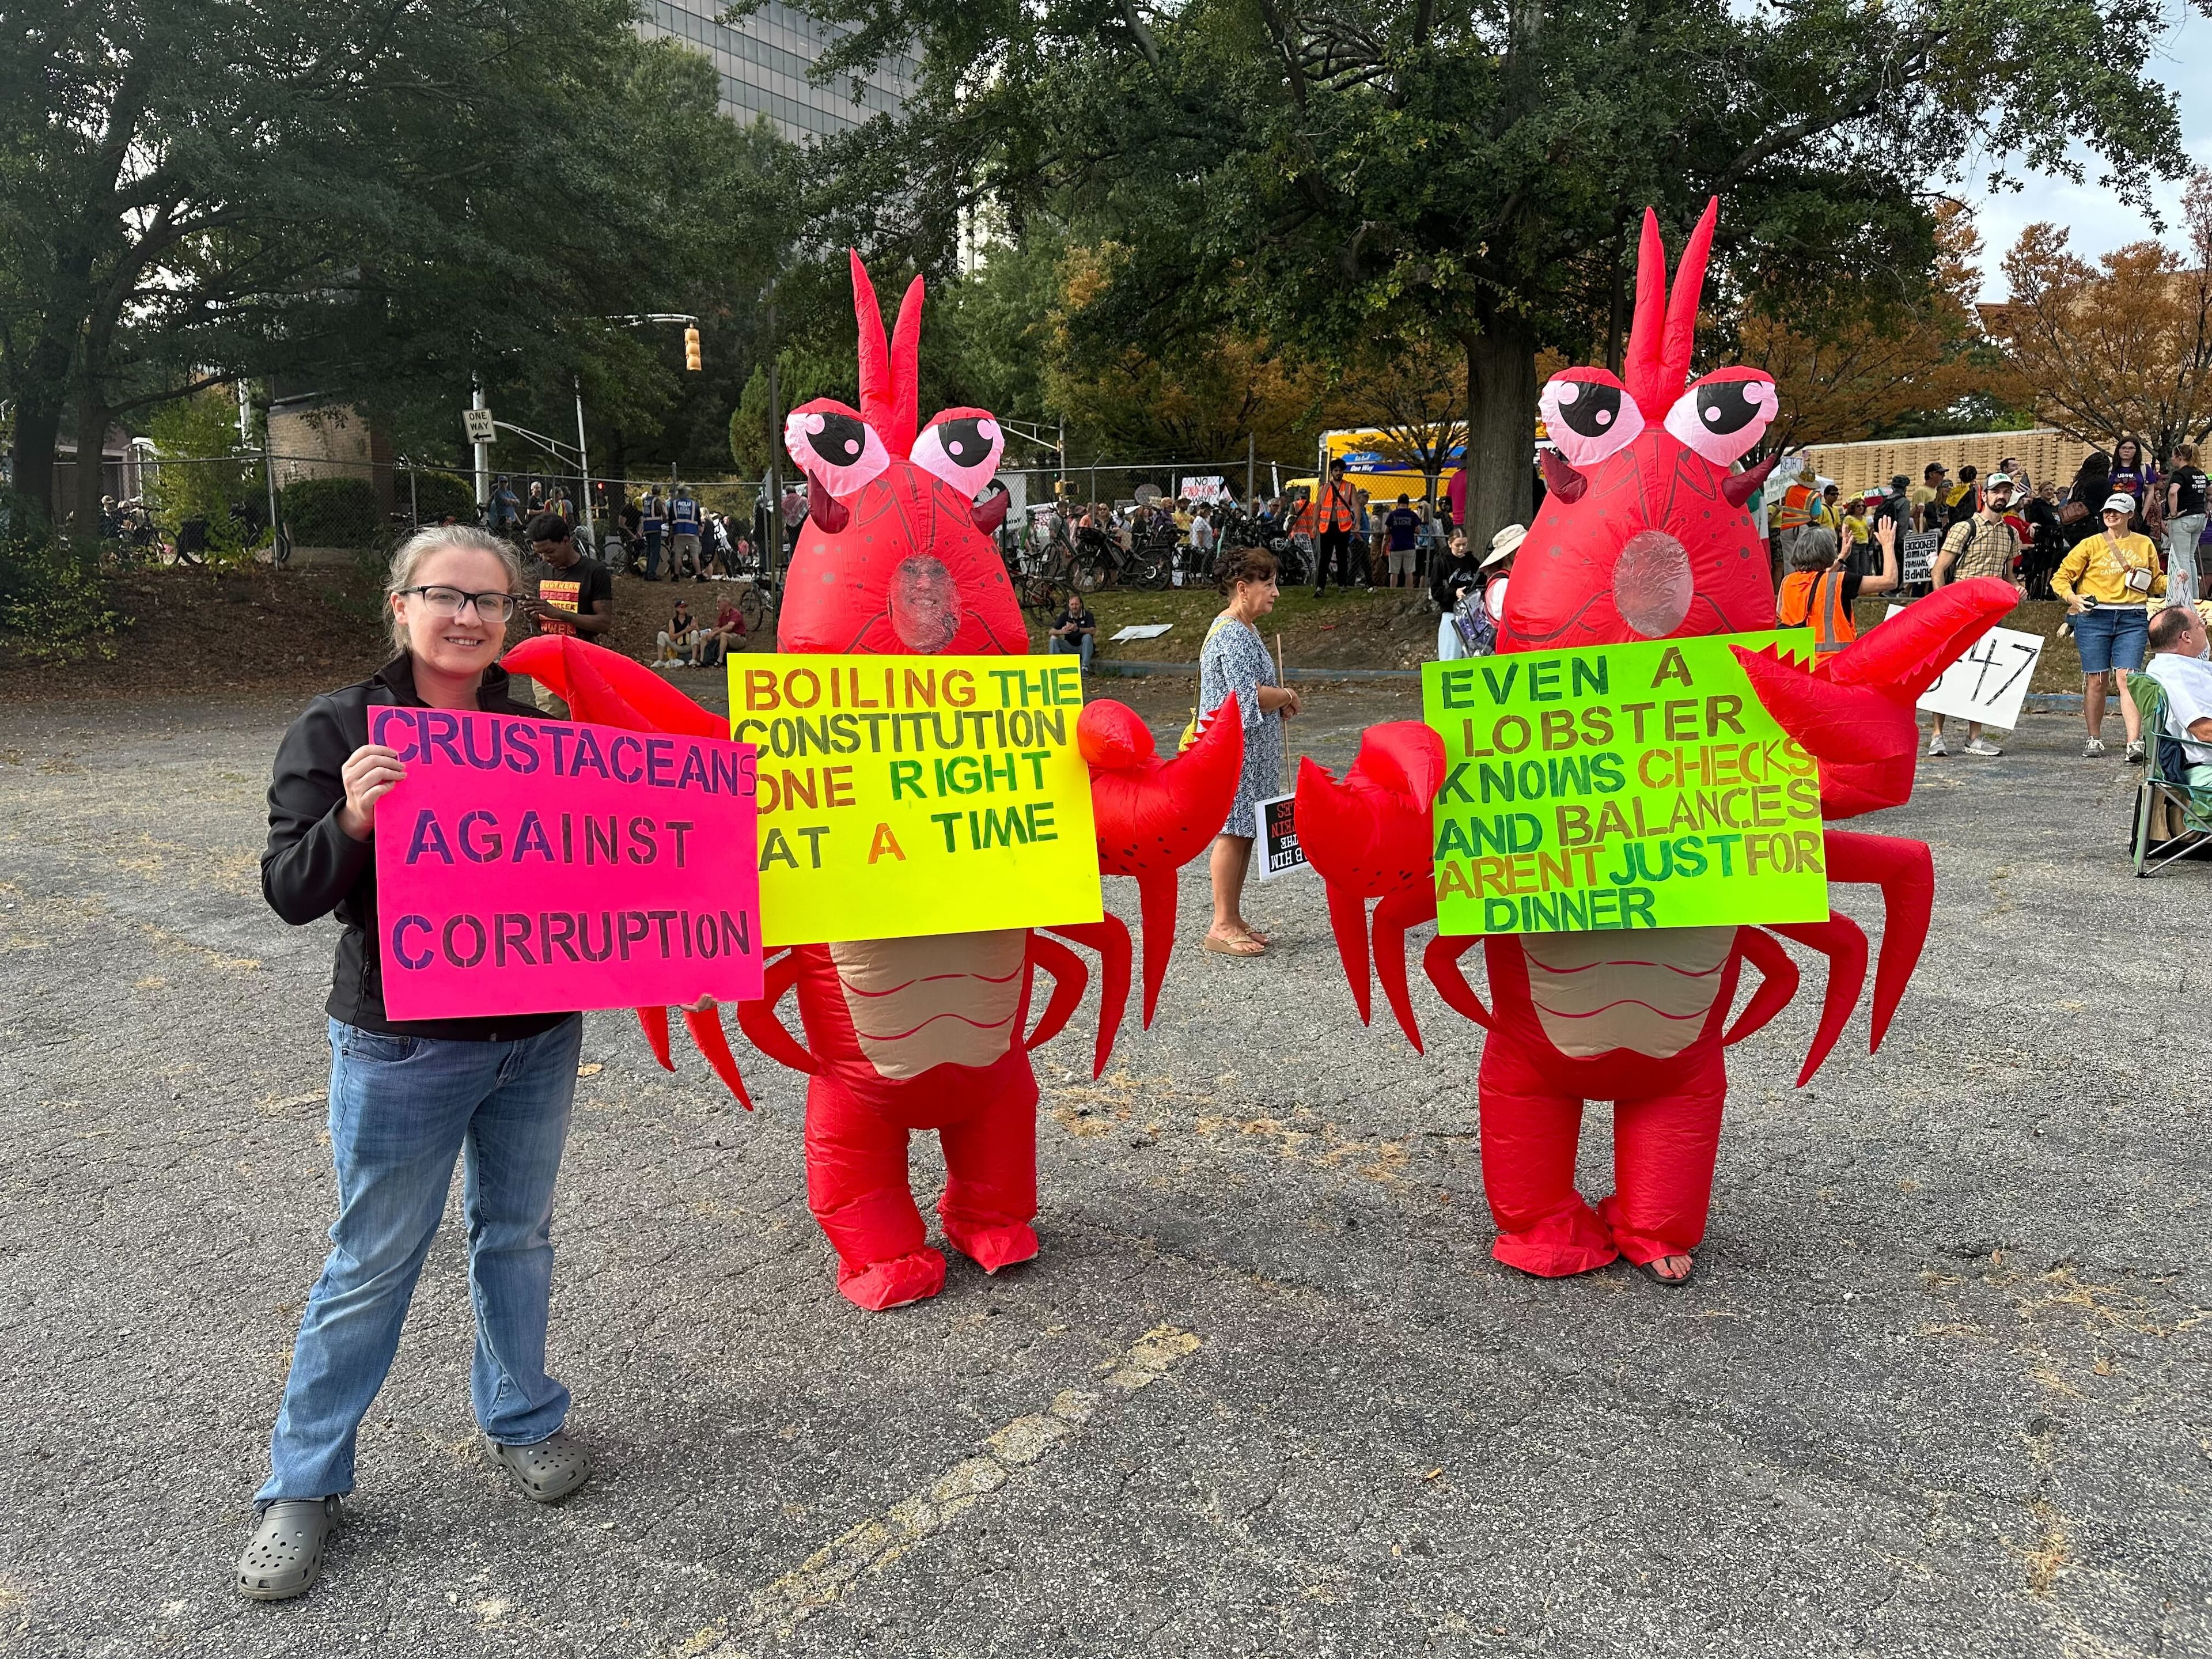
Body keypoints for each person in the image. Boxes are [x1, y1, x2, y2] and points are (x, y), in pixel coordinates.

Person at [241, 526, 592, 1603]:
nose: (469, 618)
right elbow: (290, 889)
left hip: (535, 1035)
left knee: (518, 1236)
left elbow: (595, 869)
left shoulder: (535, 728)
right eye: (446, 596)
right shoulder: (338, 725)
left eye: (492, 603)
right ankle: (302, 1485)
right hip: (404, 1045)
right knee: (373, 1261)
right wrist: (352, 815)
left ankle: (523, 1417)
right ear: (400, 605)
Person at [1200, 548, 1300, 955]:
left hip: (1248, 752)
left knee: (1243, 830)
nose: (1276, 592)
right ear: (1243, 589)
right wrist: (1287, 695)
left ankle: (1233, 916)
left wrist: (1281, 700)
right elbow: (1249, 695)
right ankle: (1221, 924)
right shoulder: (1231, 634)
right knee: (1232, 831)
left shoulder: (1246, 630)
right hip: (1233, 752)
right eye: (1269, 584)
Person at [2052, 493, 2167, 760]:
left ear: (2131, 515)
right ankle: (2094, 738)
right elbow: (2061, 577)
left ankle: (2134, 743)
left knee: (2128, 678)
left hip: (2133, 617)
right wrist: (2072, 597)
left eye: (2118, 511)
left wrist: (2176, 579)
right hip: (2095, 617)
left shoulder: (2144, 544)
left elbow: (2155, 581)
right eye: (2107, 511)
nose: (2111, 515)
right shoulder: (2090, 544)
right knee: (2096, 680)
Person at [1926, 472, 2024, 757]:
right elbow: (1939, 569)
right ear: (1984, 495)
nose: (2001, 497)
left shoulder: (2010, 533)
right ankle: (1937, 735)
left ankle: (1975, 738)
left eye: (2006, 492)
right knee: (1946, 669)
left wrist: (2018, 588)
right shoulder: (1964, 528)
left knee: (1984, 671)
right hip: (1959, 609)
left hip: (1991, 612)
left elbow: (2009, 577)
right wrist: (1942, 603)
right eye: (1996, 491)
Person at [519, 514, 613, 717]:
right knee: (552, 720)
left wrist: (560, 614)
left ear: (566, 540)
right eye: (540, 553)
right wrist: (531, 613)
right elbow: (541, 623)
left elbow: (604, 623)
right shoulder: (540, 571)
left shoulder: (594, 571)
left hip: (583, 659)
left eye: (550, 551)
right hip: (548, 659)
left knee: (585, 717)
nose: (545, 558)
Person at [1779, 516, 1900, 657]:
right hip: (1834, 665)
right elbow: (1890, 581)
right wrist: (1888, 545)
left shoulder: (1787, 582)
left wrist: (1842, 556)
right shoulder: (1840, 581)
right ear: (1827, 553)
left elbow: (1817, 581)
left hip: (1798, 662)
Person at [2145, 604, 2212, 786]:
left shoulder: (2167, 665)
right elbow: (2204, 730)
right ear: (2186, 637)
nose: (2204, 628)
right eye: (2200, 624)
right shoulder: (2177, 674)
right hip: (2205, 768)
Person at [2165, 444, 2207, 608]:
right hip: (2199, 517)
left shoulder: (2180, 474)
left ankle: (2185, 599)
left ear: (2180, 457)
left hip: (2184, 519)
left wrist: (2174, 513)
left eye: (2173, 456)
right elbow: (2210, 490)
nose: (2172, 459)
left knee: (2181, 558)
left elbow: (2173, 492)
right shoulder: (2199, 474)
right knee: (2190, 558)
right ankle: (2194, 596)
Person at [1312, 459, 1359, 596]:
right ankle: (1320, 587)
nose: (1339, 473)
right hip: (1327, 526)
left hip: (1343, 526)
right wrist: (1315, 525)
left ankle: (1342, 585)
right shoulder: (1324, 488)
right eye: (1336, 471)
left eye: (1341, 470)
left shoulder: (1350, 487)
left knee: (1342, 557)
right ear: (1332, 472)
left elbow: (1356, 504)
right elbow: (1318, 506)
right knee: (1325, 558)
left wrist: (1358, 522)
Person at [2107, 435, 2158, 529]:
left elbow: (2150, 492)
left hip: (2136, 511)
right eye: (2124, 448)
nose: (2127, 451)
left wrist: (2143, 515)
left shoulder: (2144, 468)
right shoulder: (2110, 468)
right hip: (2112, 511)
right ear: (2118, 450)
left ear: (2136, 451)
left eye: (2131, 448)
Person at [1429, 528, 1484, 613]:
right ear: (1450, 544)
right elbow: (1436, 592)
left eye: (1464, 544)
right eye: (1457, 545)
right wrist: (1455, 593)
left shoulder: (1472, 561)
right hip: (1450, 609)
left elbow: (1482, 581)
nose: (1461, 548)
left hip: (1471, 608)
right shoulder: (1441, 562)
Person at [1480, 522, 1523, 618]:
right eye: (1519, 548)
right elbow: (1506, 618)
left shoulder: (1507, 579)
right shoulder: (1503, 584)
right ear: (1508, 554)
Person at [1047, 593, 1097, 671]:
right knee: (1053, 638)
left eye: (1076, 604)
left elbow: (1093, 631)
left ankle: (1085, 668)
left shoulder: (1088, 615)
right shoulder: (1064, 615)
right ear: (1069, 605)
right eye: (1072, 604)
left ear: (1081, 604)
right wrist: (1061, 631)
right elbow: (1051, 631)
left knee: (1088, 636)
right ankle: (1053, 668)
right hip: (1069, 647)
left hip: (1084, 648)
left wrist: (1078, 629)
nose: (1074, 607)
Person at [1382, 493, 1421, 589]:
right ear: (1408, 504)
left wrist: (1383, 548)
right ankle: (1409, 592)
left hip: (1395, 547)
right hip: (1409, 547)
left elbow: (1387, 531)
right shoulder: (1412, 515)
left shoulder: (1393, 514)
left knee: (1394, 572)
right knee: (1409, 572)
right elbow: (1418, 530)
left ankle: (1393, 590)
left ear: (1398, 503)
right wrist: (1409, 529)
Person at [667, 484, 703, 581]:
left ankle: (676, 575)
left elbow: (670, 520)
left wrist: (672, 532)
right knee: (695, 555)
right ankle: (699, 575)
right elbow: (699, 520)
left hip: (679, 531)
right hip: (692, 531)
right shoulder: (694, 504)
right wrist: (699, 530)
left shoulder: (673, 504)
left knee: (678, 554)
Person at [700, 596, 745, 666]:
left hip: (739, 638)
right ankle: (702, 660)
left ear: (726, 603)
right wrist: (711, 633)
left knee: (723, 635)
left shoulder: (736, 613)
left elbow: (729, 627)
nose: (717, 604)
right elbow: (718, 627)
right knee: (705, 636)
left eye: (719, 602)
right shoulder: (723, 615)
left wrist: (715, 633)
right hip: (728, 636)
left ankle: (720, 660)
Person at [656, 597, 700, 668]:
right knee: (661, 634)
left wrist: (695, 628)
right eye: (681, 607)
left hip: (689, 645)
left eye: (685, 607)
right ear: (677, 609)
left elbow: (698, 634)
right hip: (678, 646)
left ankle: (694, 659)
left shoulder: (691, 618)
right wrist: (685, 631)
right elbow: (671, 638)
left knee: (694, 633)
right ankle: (660, 661)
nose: (684, 609)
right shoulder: (673, 621)